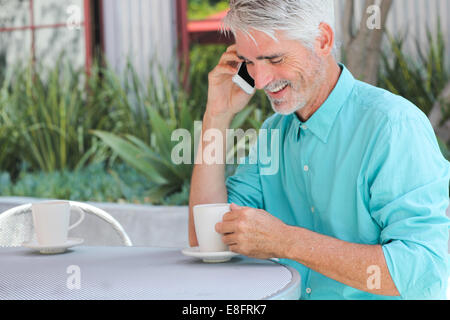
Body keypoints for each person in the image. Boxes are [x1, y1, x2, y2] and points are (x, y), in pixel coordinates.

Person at [188, 0, 450, 300]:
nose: (260, 80)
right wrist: (216, 116)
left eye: (274, 59)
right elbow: (207, 240)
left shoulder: (392, 126)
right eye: (249, 62)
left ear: (322, 40)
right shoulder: (274, 133)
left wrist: (287, 242)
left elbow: (425, 274)